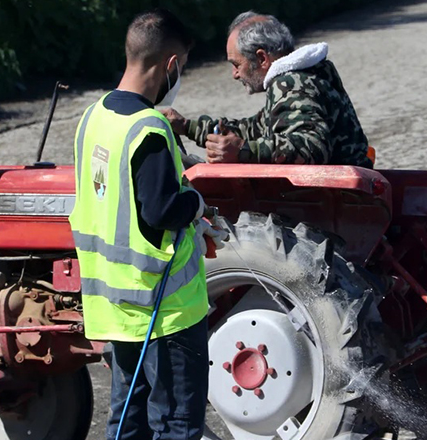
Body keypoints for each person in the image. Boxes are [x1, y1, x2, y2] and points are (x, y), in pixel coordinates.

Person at [69, 9, 226, 440]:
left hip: (117, 308)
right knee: (176, 424)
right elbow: (161, 210)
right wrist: (195, 202)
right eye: (183, 67)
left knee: (128, 420)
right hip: (165, 310)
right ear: (170, 64)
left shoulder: (93, 116)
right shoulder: (150, 129)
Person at [163, 11, 373, 167]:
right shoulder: (304, 77)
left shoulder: (292, 83)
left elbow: (312, 147)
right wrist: (187, 126)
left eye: (236, 64)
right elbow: (254, 128)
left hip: (340, 200)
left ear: (262, 58)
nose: (235, 74)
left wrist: (243, 151)